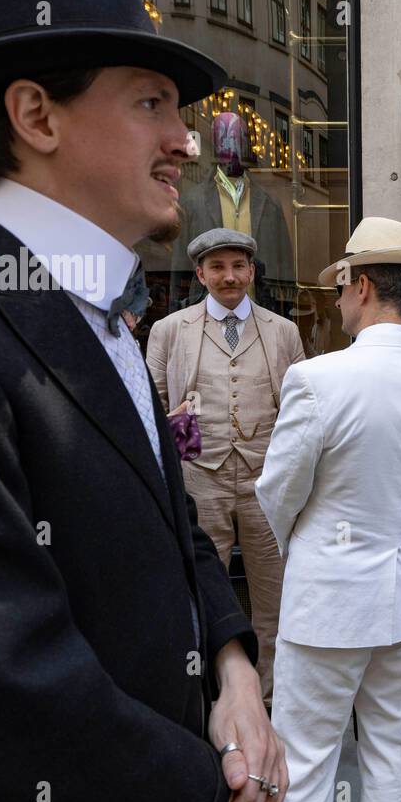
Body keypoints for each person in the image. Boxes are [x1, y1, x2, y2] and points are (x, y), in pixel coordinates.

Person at [0, 0, 285, 802]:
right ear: (37, 116)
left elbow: (174, 526)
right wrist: (214, 794)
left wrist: (234, 670)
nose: (186, 142)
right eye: (153, 103)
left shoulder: (109, 307)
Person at [257, 218, 401, 802]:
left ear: (365, 285)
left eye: (343, 286)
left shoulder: (318, 379)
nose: (338, 299)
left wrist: (312, 546)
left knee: (306, 757)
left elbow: (277, 495)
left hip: (328, 599)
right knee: (390, 745)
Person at [146, 228, 305, 707]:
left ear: (253, 271)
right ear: (200, 273)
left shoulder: (283, 331)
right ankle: (212, 698)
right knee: (203, 592)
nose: (229, 276)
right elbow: (148, 400)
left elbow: (303, 408)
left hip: (265, 482)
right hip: (200, 479)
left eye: (238, 266)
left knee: (273, 597)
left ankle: (271, 699)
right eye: (217, 267)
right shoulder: (170, 330)